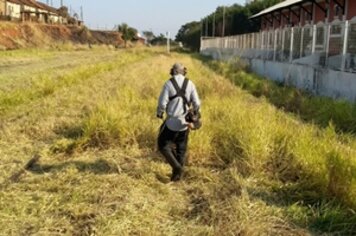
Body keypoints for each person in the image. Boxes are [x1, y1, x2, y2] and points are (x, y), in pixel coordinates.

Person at [156, 63, 201, 182]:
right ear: (183, 72)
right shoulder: (190, 84)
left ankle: (177, 167)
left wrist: (160, 112)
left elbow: (162, 103)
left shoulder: (168, 83)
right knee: (181, 149)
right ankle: (177, 178)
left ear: (173, 71)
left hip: (171, 122)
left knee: (162, 145)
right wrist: (195, 117)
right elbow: (197, 103)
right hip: (185, 124)